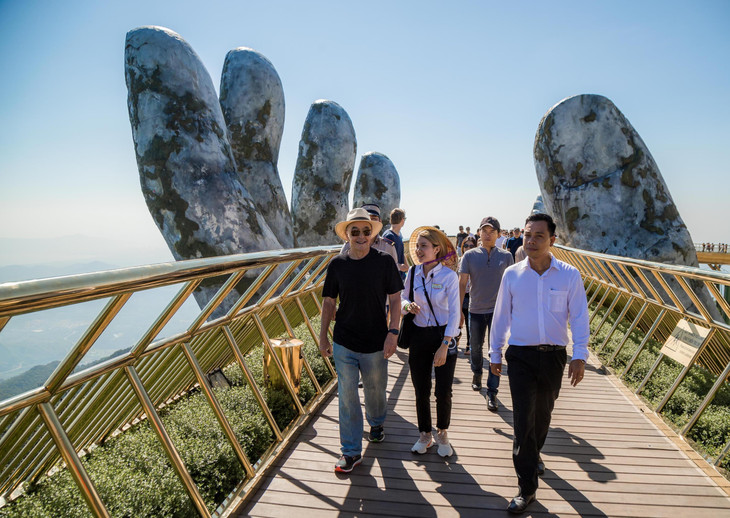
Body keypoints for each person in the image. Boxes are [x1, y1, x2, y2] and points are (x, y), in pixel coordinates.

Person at [489, 213, 589, 514]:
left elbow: (579, 316)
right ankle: (526, 488)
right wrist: (495, 353)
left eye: (538, 236)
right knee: (523, 420)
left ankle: (533, 454)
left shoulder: (569, 275)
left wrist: (579, 355)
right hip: (520, 355)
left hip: (554, 356)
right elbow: (500, 316)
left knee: (543, 416)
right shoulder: (512, 274)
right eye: (527, 235)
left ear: (552, 240)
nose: (531, 241)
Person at [319, 208, 403, 473]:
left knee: (375, 390)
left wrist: (393, 332)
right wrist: (323, 337)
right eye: (354, 231)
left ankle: (376, 423)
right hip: (344, 341)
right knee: (347, 397)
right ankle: (351, 451)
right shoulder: (337, 264)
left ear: (372, 234)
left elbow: (396, 299)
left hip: (376, 341)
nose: (361, 236)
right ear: (347, 235)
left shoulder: (384, 262)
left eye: (366, 231)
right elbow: (329, 302)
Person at [401, 227, 460, 457]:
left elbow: (455, 313)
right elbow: (403, 297)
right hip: (418, 335)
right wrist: (408, 306)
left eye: (424, 246)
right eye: (417, 246)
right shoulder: (413, 272)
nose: (418, 250)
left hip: (443, 336)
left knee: (443, 391)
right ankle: (425, 434)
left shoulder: (449, 277)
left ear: (437, 249)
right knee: (421, 389)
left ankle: (442, 432)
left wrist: (445, 344)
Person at [458, 217, 513, 411]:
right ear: (479, 233)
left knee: (495, 350)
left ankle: (492, 391)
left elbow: (511, 285)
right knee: (475, 347)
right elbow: (462, 284)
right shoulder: (469, 256)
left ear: (498, 234)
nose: (488, 235)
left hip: (498, 312)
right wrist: (459, 311)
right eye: (484, 231)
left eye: (492, 231)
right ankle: (476, 373)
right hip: (475, 309)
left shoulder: (506, 256)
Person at [459, 236, 478, 352]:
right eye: (466, 245)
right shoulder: (458, 260)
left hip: (472, 294)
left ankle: (469, 344)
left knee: (469, 322)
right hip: (460, 293)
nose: (468, 248)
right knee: (458, 318)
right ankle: (457, 335)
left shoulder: (478, 261)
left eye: (471, 246)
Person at [382, 208, 409, 279]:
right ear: (402, 220)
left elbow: (401, 252)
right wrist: (399, 266)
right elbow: (385, 258)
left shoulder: (399, 234)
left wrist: (406, 266)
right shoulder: (389, 236)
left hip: (400, 276)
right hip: (392, 278)